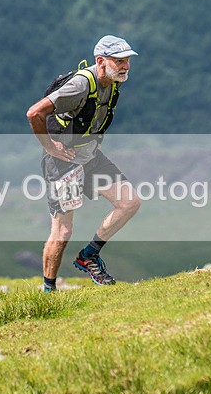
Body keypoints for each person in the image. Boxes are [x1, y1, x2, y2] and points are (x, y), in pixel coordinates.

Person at [26, 35, 141, 291]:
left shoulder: (112, 82)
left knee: (129, 202)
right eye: (119, 61)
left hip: (90, 156)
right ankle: (48, 290)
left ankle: (88, 255)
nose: (126, 67)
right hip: (64, 161)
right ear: (101, 61)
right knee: (63, 231)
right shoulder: (79, 86)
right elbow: (34, 113)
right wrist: (50, 147)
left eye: (127, 61)